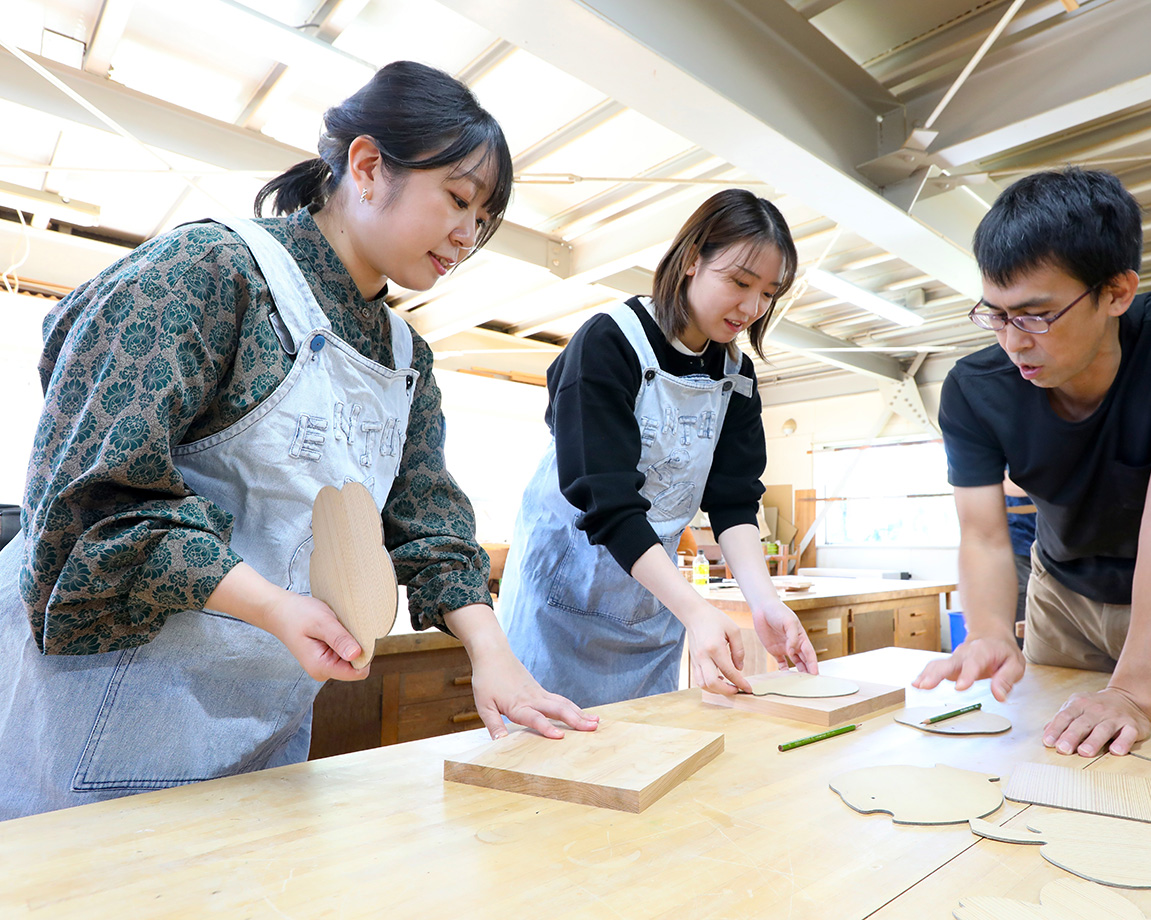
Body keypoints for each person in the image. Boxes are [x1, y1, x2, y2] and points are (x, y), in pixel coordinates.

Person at [0, 61, 593, 821]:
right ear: (369, 166)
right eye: (458, 199)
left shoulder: (408, 359)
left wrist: (494, 655)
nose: (467, 235)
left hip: (267, 724)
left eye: (483, 219)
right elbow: (92, 499)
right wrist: (278, 607)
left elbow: (430, 526)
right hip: (110, 713)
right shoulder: (209, 272)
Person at [915, 167, 1151, 758]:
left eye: (1036, 314)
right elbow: (985, 534)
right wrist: (992, 629)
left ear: (1117, 293)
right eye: (995, 313)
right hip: (1062, 597)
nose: (1013, 340)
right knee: (1053, 755)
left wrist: (1131, 691)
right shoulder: (973, 388)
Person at [500, 189, 819, 707]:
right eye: (739, 282)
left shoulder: (735, 377)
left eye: (768, 293)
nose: (752, 307)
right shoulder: (610, 342)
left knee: (643, 756)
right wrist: (694, 609)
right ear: (692, 259)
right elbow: (606, 501)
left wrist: (765, 602)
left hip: (652, 608)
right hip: (560, 607)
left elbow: (734, 501)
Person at [1003, 475, 1036, 645]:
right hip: (1018, 543)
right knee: (1021, 614)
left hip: (1045, 543)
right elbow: (1005, 483)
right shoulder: (1007, 452)